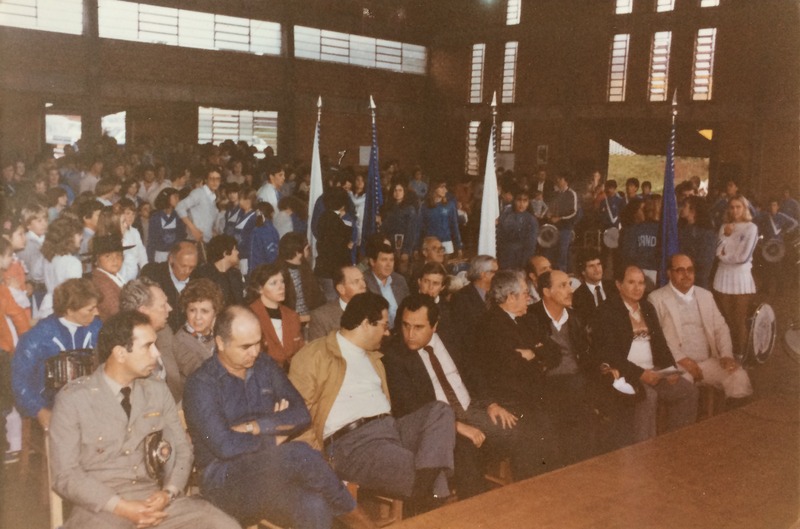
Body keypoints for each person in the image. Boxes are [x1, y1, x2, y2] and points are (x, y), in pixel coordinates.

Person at [183, 306, 373, 529]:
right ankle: (366, 527)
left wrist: (254, 426)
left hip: (269, 473)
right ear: (221, 343)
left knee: (314, 504)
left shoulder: (264, 366)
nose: (255, 352)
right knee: (300, 454)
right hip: (224, 483)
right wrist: (275, 437)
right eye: (245, 346)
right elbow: (226, 446)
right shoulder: (201, 384)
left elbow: (301, 414)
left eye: (258, 343)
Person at [49, 310, 240, 529]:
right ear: (120, 353)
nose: (157, 353)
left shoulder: (156, 390)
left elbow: (182, 449)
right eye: (148, 346)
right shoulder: (74, 399)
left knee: (223, 525)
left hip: (155, 502)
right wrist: (120, 507)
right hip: (99, 508)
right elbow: (65, 474)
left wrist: (168, 493)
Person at [289, 292, 455, 513]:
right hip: (353, 444)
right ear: (367, 323)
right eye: (384, 326)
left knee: (441, 411)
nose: (387, 332)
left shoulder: (374, 358)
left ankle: (420, 497)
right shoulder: (314, 355)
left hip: (391, 431)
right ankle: (426, 498)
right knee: (428, 470)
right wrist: (320, 462)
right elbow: (297, 416)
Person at [384, 294, 544, 498]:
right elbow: (410, 407)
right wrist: (456, 425)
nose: (410, 334)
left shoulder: (451, 337)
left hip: (471, 408)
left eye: (418, 327)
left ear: (434, 326)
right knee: (465, 451)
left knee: (520, 432)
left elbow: (474, 372)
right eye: (406, 326)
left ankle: (532, 498)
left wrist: (491, 404)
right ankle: (477, 509)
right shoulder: (395, 356)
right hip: (438, 425)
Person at [589, 265, 698, 446]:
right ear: (619, 284)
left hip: (654, 371)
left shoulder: (647, 307)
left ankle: (677, 444)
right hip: (626, 374)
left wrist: (670, 368)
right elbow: (610, 353)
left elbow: (661, 344)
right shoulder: (607, 311)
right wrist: (640, 373)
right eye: (631, 282)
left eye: (641, 283)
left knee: (688, 391)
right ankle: (644, 450)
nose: (637, 288)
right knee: (648, 397)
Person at [471, 270, 562, 472]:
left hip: (534, 393)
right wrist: (538, 355)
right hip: (509, 400)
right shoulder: (488, 326)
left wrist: (532, 354)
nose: (529, 298)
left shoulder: (528, 320)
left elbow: (556, 353)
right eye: (525, 293)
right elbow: (510, 366)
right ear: (511, 297)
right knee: (535, 439)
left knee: (557, 430)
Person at [649, 254, 753, 403]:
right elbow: (657, 339)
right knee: (681, 388)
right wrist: (683, 360)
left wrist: (726, 355)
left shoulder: (706, 295)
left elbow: (721, 328)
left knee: (738, 376)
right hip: (676, 365)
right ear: (669, 273)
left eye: (690, 270)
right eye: (680, 270)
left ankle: (733, 417)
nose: (686, 275)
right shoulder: (656, 298)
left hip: (707, 362)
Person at [12, 278, 102, 432]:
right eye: (90, 309)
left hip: (90, 404)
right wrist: (39, 410)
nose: (97, 312)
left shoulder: (97, 328)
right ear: (70, 310)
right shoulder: (38, 337)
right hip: (50, 407)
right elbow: (19, 381)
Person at [526, 270, 593, 464]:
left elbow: (586, 355)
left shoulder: (575, 318)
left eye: (569, 284)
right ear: (546, 292)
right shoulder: (531, 317)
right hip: (545, 383)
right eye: (562, 286)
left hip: (575, 380)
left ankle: (581, 466)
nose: (570, 290)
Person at [119, 278, 183, 404]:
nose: (170, 308)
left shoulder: (164, 331)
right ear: (143, 312)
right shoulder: (122, 344)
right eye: (163, 305)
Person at [713, 195, 759, 357]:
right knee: (726, 319)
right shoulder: (724, 227)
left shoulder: (751, 228)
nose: (734, 210)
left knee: (739, 320)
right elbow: (717, 252)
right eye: (732, 207)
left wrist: (726, 257)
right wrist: (726, 236)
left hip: (741, 277)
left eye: (738, 207)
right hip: (723, 276)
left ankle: (741, 357)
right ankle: (728, 354)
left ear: (744, 208)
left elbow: (743, 257)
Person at [248, 263, 304, 369]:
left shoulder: (292, 315)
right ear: (259, 289)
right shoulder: (249, 315)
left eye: (282, 281)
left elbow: (301, 351)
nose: (281, 287)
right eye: (273, 283)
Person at [173, 278, 223, 384]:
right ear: (185, 310)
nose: (198, 317)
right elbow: (205, 375)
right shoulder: (180, 342)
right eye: (192, 310)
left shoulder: (219, 333)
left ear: (215, 312)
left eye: (204, 311)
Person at [140, 241, 198, 332]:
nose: (187, 271)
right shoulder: (152, 273)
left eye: (192, 267)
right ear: (171, 259)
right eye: (183, 266)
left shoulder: (198, 277)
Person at [314, 187, 355, 301]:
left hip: (324, 269)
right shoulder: (336, 222)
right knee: (333, 303)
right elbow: (339, 249)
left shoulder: (324, 217)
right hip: (332, 272)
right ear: (343, 204)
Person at [307, 265, 367, 341]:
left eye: (363, 280)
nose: (364, 285)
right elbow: (318, 348)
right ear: (341, 289)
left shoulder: (375, 309)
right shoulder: (322, 317)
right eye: (356, 281)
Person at [40, 216, 84, 318]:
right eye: (78, 234)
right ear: (68, 238)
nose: (82, 237)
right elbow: (73, 292)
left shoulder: (49, 257)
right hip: (63, 308)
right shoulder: (72, 262)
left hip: (47, 306)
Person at [278, 232, 326, 320]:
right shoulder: (277, 274)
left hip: (311, 318)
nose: (309, 252)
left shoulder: (304, 267)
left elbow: (318, 298)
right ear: (297, 253)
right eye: (307, 249)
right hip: (292, 321)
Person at [364, 240, 410, 329]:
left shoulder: (399, 280)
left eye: (391, 260)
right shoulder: (364, 282)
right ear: (372, 262)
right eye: (384, 260)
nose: (389, 265)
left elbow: (408, 308)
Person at [191, 234, 245, 308]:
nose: (238, 252)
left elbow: (240, 302)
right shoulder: (203, 274)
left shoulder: (235, 274)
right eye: (235, 249)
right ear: (225, 253)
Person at [88, 235, 133, 321]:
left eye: (118, 255)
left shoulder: (114, 276)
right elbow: (116, 313)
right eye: (107, 256)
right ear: (96, 260)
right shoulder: (101, 283)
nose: (114, 260)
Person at [678, 195, 717, 290]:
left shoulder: (706, 232)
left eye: (685, 206)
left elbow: (706, 260)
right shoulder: (682, 229)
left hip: (698, 280)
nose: (681, 209)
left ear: (693, 209)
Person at [545, 172, 580, 272]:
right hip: (554, 228)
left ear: (566, 181)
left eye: (560, 179)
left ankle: (562, 272)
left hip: (565, 228)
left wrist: (560, 218)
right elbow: (551, 207)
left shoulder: (571, 193)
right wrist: (549, 213)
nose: (558, 181)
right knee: (552, 251)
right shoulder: (556, 194)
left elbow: (574, 212)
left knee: (562, 252)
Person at [176, 166, 221, 243]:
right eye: (211, 178)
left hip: (206, 241)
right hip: (194, 241)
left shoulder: (213, 197)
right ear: (206, 180)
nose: (215, 182)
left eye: (217, 179)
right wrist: (193, 229)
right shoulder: (198, 193)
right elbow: (179, 207)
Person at [418, 180, 462, 258]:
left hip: (446, 242)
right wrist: (416, 247)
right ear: (434, 189)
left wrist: (458, 246)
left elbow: (454, 226)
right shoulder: (424, 206)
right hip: (430, 243)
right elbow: (420, 227)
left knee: (445, 264)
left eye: (445, 187)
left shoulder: (450, 205)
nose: (445, 190)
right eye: (442, 187)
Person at [571, 250, 617, 323]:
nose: (597, 269)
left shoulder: (614, 287)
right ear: (583, 271)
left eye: (599, 264)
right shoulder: (578, 296)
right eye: (591, 266)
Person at [381, 182, 418, 272]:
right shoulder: (389, 208)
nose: (397, 193)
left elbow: (411, 232)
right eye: (395, 190)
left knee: (402, 271)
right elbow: (385, 227)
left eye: (400, 190)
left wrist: (406, 251)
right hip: (390, 243)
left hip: (403, 243)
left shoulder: (410, 209)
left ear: (404, 192)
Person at [497, 189, 538, 270]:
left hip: (522, 256)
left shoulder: (531, 219)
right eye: (519, 200)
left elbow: (531, 244)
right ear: (514, 201)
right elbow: (500, 236)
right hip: (505, 255)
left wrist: (525, 262)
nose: (521, 204)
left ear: (528, 202)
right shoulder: (506, 216)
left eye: (525, 201)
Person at [147, 188, 186, 263]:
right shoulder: (156, 217)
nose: (178, 199)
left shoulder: (179, 216)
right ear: (167, 198)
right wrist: (150, 260)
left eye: (178, 197)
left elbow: (181, 237)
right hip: (159, 255)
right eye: (175, 197)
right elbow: (152, 241)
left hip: (175, 255)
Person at [249, 202, 280, 270]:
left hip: (256, 269)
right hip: (264, 270)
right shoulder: (269, 230)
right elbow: (272, 255)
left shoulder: (256, 230)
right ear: (272, 214)